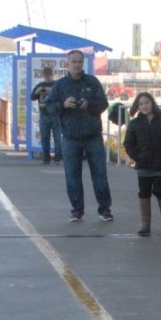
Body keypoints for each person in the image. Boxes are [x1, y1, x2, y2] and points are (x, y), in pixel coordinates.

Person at [46, 50, 113, 223]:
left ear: (83, 63)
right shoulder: (60, 85)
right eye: (73, 62)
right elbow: (50, 107)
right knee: (72, 175)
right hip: (70, 138)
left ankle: (104, 209)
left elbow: (104, 104)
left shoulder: (92, 81)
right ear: (67, 63)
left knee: (99, 173)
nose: (77, 65)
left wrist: (89, 105)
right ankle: (77, 210)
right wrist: (63, 104)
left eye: (79, 62)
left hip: (93, 136)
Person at [124, 91, 161, 237]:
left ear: (152, 103)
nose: (144, 106)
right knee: (144, 193)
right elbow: (128, 143)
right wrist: (138, 157)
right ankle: (145, 224)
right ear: (137, 106)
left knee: (160, 191)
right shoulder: (135, 124)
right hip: (143, 165)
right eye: (141, 104)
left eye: (147, 103)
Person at [30, 66, 63, 165]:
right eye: (45, 76)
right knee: (44, 138)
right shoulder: (40, 85)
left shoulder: (57, 84)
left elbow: (61, 95)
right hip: (44, 114)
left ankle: (57, 158)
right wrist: (38, 91)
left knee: (57, 138)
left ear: (53, 75)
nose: (47, 78)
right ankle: (46, 158)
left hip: (56, 114)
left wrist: (48, 89)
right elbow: (32, 97)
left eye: (49, 76)